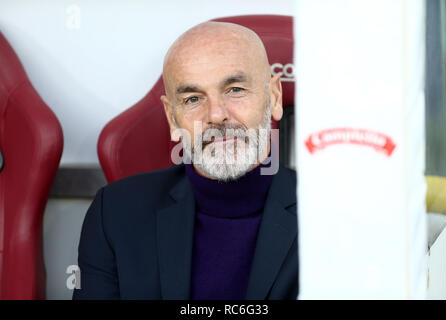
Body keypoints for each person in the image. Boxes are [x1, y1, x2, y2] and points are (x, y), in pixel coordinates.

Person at [73, 21, 298, 300]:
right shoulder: (114, 214)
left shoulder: (330, 211)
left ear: (274, 97)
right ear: (172, 118)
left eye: (235, 90)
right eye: (193, 99)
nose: (216, 115)